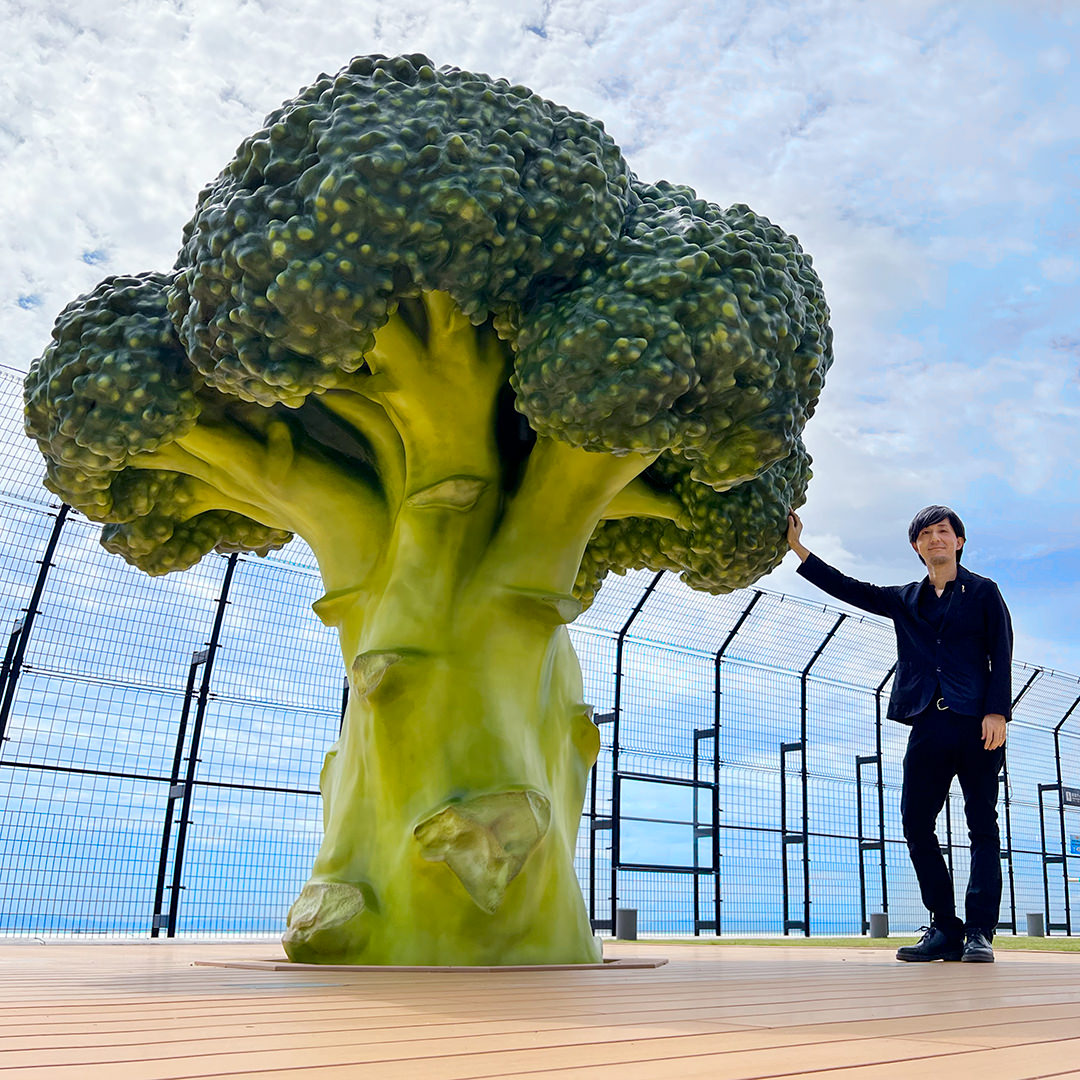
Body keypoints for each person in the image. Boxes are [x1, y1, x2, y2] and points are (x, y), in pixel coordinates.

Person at [786, 505, 1012, 963]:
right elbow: (851, 589)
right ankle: (945, 928)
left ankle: (979, 933)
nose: (935, 539)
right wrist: (798, 549)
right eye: (925, 534)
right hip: (927, 722)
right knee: (915, 823)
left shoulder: (984, 592)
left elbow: (1002, 652)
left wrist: (997, 713)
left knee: (982, 826)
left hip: (976, 725)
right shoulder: (905, 598)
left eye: (943, 532)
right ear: (916, 546)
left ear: (959, 541)